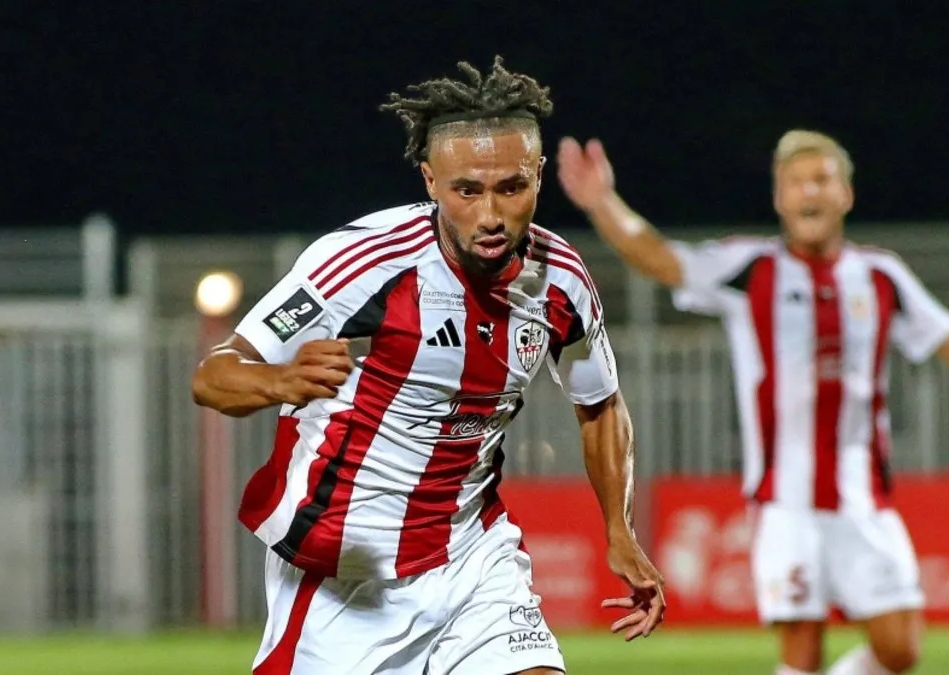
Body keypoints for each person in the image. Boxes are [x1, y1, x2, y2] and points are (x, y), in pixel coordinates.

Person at [555, 129, 949, 675]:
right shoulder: (751, 269)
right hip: (784, 501)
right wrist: (604, 203)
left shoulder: (880, 276)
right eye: (796, 182)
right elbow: (660, 258)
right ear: (779, 198)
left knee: (901, 648)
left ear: (846, 194)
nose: (809, 191)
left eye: (822, 179)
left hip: (864, 501)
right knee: (802, 651)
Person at [191, 57, 665, 675]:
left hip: (473, 556)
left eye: (511, 188)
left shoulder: (562, 281)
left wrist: (619, 530)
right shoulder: (364, 264)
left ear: (539, 177)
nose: (490, 215)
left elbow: (600, 406)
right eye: (467, 190)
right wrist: (278, 380)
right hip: (346, 570)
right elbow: (214, 376)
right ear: (431, 181)